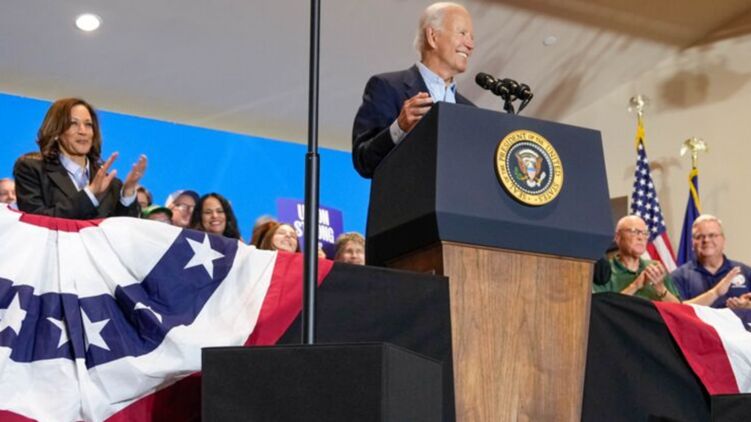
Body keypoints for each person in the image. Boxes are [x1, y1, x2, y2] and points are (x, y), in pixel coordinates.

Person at [352, 2, 475, 178]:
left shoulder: (470, 111)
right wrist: (399, 127)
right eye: (462, 33)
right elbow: (363, 161)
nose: (470, 45)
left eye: (472, 37)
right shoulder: (387, 87)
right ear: (432, 36)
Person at [13, 98, 147, 219]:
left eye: (88, 125)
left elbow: (123, 231)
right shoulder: (32, 169)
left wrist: (128, 192)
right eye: (73, 123)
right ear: (56, 131)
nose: (83, 131)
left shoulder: (112, 184)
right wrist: (90, 194)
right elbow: (35, 220)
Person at [593, 215, 681, 302]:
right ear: (617, 237)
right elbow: (600, 308)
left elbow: (678, 308)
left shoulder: (655, 268)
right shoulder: (603, 271)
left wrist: (661, 288)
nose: (641, 237)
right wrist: (635, 286)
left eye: (645, 233)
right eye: (634, 231)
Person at [670, 214, 750, 307]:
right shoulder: (678, 277)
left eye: (712, 235)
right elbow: (677, 310)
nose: (706, 240)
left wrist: (748, 306)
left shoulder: (745, 272)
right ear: (692, 243)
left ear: (723, 240)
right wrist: (715, 293)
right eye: (699, 236)